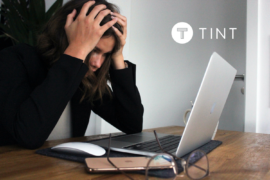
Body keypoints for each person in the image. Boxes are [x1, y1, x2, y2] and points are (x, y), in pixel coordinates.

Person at [0, 0, 144, 149]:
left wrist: (117, 55)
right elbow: (28, 136)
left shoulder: (84, 78)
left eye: (105, 54)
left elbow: (132, 125)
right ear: (65, 34)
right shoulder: (13, 60)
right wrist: (77, 49)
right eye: (93, 49)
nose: (97, 63)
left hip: (64, 170)